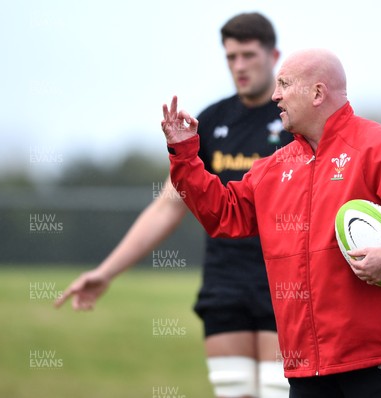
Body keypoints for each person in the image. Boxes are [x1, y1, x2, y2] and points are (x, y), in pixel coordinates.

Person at [161, 49, 381, 398]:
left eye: (285, 85)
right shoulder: (272, 169)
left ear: (317, 93)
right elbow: (223, 214)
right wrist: (184, 155)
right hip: (306, 369)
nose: (275, 96)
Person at [55, 13, 293, 398]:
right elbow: (168, 206)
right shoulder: (214, 119)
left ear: (274, 55)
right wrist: (106, 272)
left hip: (286, 281)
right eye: (231, 57)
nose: (239, 66)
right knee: (234, 391)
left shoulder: (292, 119)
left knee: (278, 392)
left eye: (248, 55)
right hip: (225, 283)